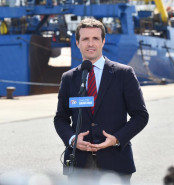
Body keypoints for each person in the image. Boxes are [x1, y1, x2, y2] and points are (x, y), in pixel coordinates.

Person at [54, 18, 149, 183]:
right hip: (79, 164)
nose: (90, 44)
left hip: (116, 162)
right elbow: (60, 118)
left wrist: (117, 138)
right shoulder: (69, 78)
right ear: (77, 42)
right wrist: (72, 139)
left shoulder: (123, 74)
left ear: (103, 41)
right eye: (85, 39)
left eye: (95, 38)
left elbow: (140, 115)